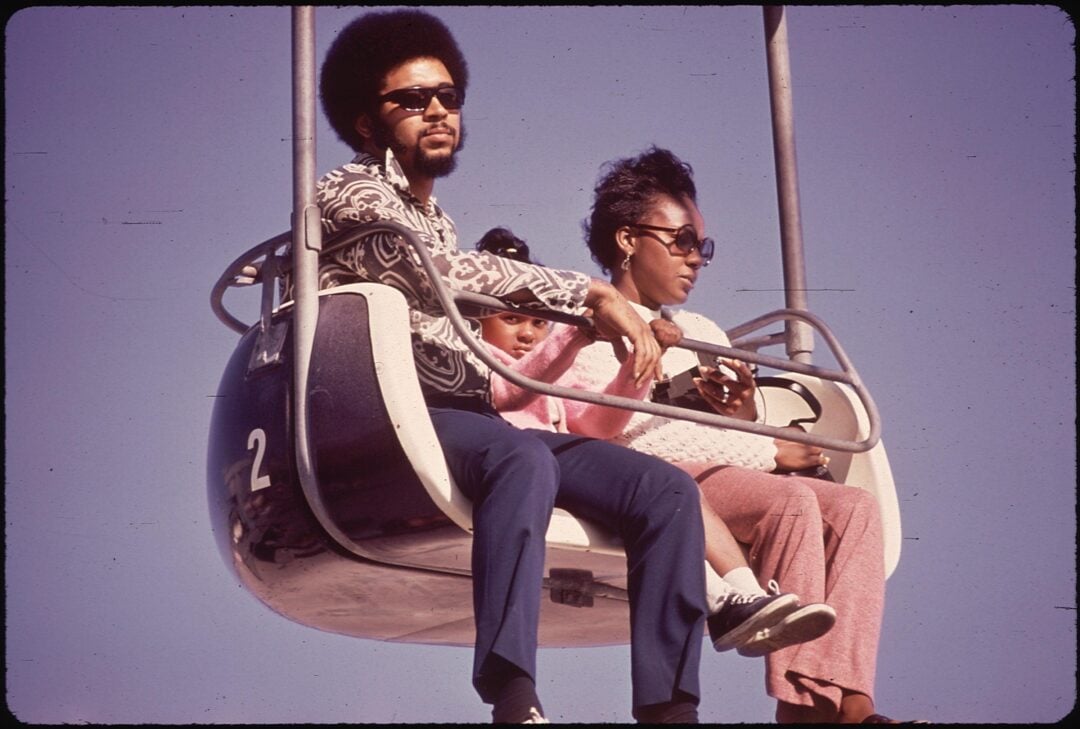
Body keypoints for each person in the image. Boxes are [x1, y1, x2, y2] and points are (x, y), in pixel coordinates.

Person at [289, 11, 706, 724]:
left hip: (469, 413)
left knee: (664, 492)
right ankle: (512, 691)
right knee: (521, 459)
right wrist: (588, 294)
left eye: (448, 96)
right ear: (367, 122)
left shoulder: (440, 214)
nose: (437, 111)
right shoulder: (346, 194)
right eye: (413, 100)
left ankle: (670, 707)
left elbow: (458, 274)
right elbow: (429, 271)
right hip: (392, 412)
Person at [563, 145, 920, 724]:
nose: (695, 259)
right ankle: (802, 706)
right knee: (792, 501)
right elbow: (626, 437)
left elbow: (729, 431)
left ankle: (851, 697)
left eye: (701, 246)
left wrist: (744, 407)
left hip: (724, 476)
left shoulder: (702, 331)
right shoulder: (590, 323)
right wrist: (766, 446)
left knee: (855, 508)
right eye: (680, 241)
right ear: (628, 240)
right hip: (657, 480)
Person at [476, 230, 838, 657]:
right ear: (479, 320)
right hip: (530, 470)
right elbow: (513, 393)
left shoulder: (558, 369)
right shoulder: (483, 359)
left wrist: (640, 364)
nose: (528, 334)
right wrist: (573, 337)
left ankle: (743, 594)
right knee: (658, 487)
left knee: (667, 489)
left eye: (539, 322)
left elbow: (594, 420)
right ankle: (724, 602)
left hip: (576, 464)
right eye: (511, 319)